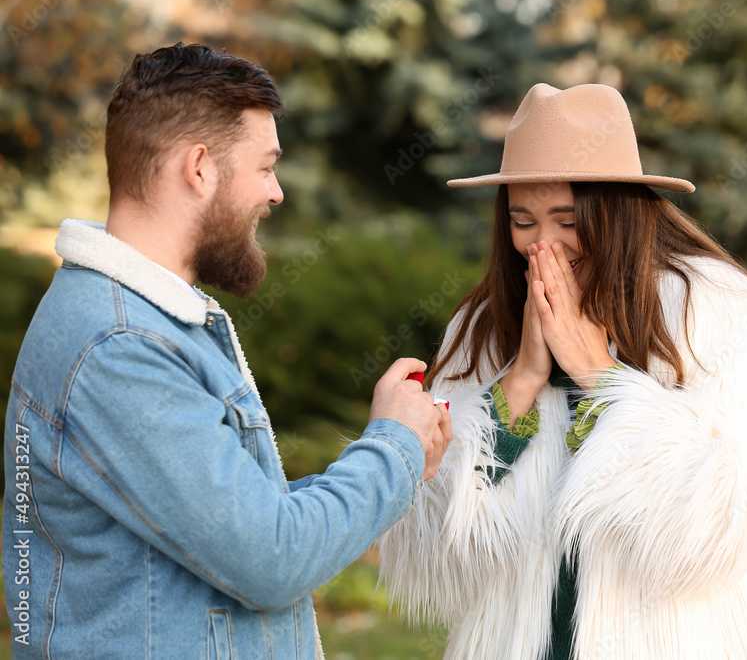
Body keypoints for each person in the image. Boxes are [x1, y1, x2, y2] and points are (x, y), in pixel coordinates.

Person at [2, 43, 451, 659]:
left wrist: (398, 447)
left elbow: (242, 523)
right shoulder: (121, 347)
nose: (277, 193)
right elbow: (272, 557)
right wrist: (391, 446)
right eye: (266, 167)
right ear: (200, 168)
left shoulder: (150, 320)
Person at [376, 83, 747, 659]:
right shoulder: (481, 327)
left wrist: (599, 377)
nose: (542, 246)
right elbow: (433, 543)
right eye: (523, 221)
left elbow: (728, 521)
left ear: (617, 211)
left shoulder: (715, 310)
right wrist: (520, 385)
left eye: (567, 219)